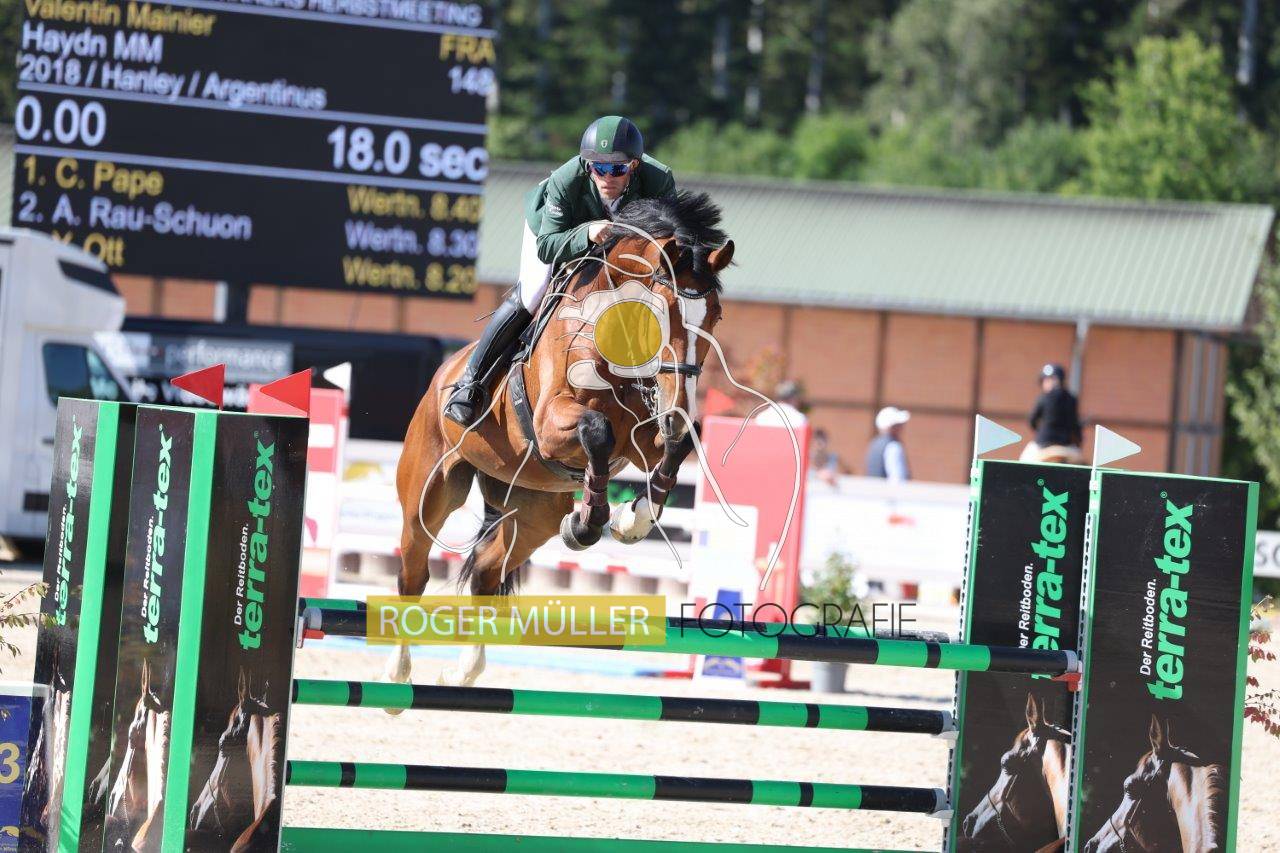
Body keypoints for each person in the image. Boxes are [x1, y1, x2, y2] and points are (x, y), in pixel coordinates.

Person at [444, 116, 677, 426]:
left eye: (617, 169)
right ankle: (470, 384)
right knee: (533, 292)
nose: (607, 177)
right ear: (588, 165)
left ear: (634, 165)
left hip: (621, 246)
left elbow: (669, 239)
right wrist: (586, 233)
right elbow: (547, 246)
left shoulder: (659, 181)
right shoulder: (566, 181)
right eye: (599, 168)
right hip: (555, 232)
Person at [1021, 363, 1084, 464]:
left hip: (1042, 444)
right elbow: (1075, 425)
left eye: (1046, 380)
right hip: (1066, 445)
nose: (1045, 383)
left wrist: (1038, 430)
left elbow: (1032, 421)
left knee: (1023, 460)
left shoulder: (1043, 397)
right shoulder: (1072, 399)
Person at [865, 407, 911, 483]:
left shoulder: (874, 444)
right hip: (886, 490)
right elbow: (898, 479)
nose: (901, 428)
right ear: (891, 427)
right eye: (898, 425)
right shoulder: (893, 446)